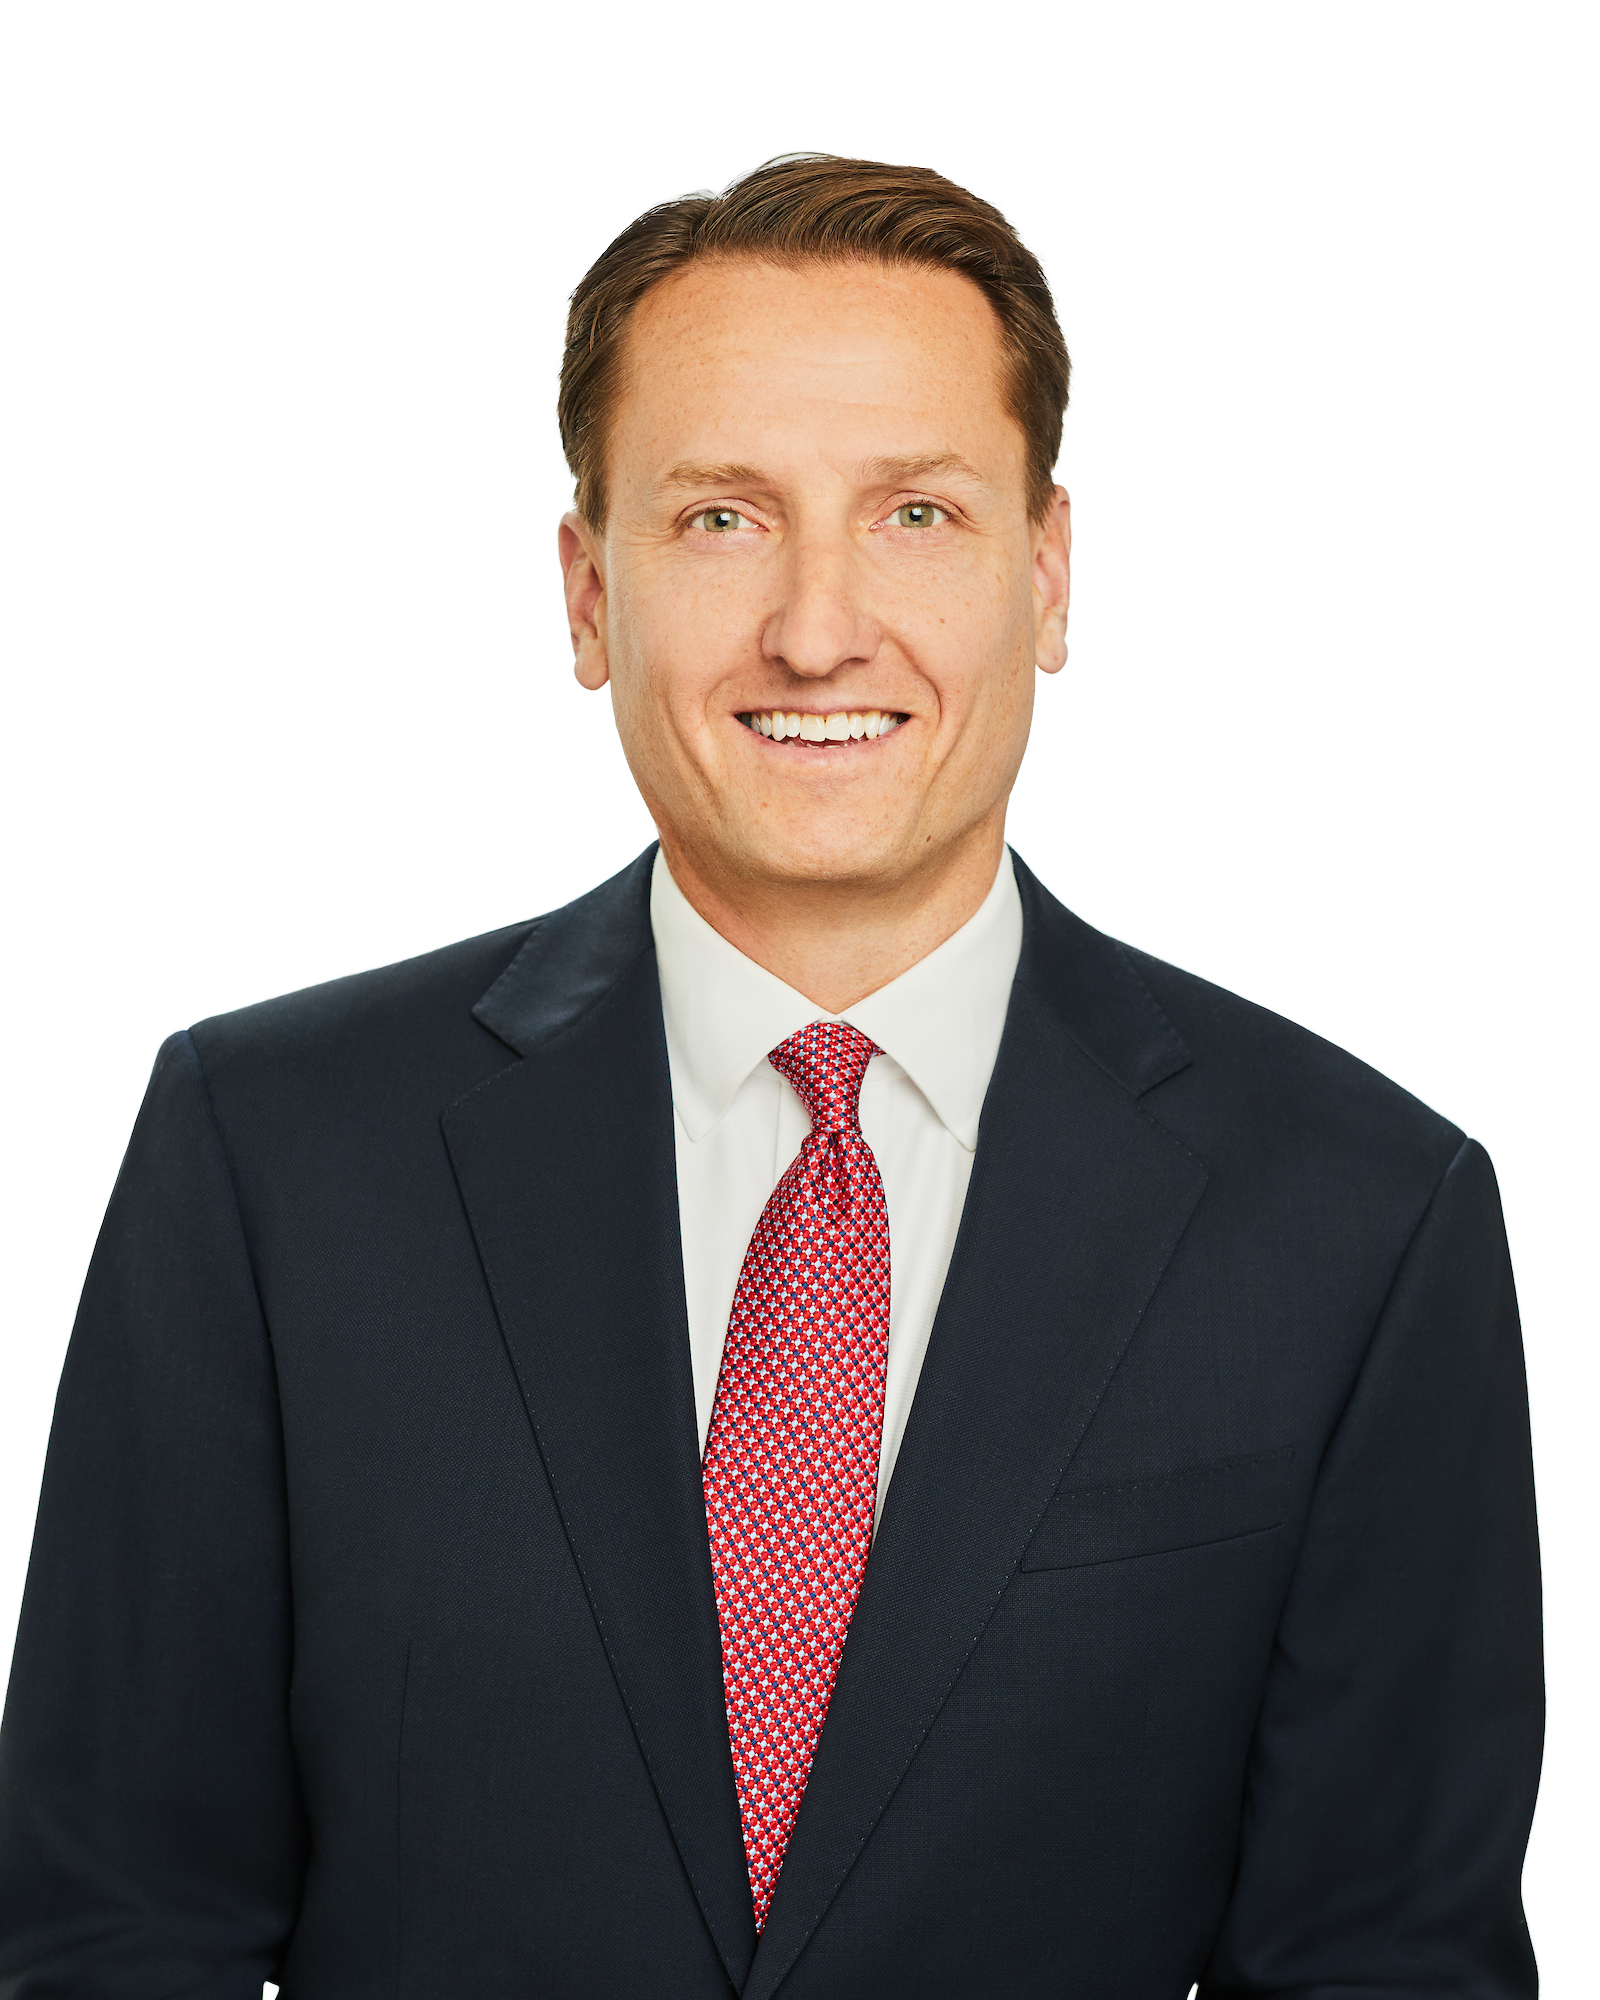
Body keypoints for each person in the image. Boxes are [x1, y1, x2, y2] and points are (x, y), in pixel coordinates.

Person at [0, 154, 1543, 1999]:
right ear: (589, 593)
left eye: (917, 513)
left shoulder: (1362, 1225)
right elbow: (109, 1936)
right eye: (723, 517)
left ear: (1047, 574)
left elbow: (1389, 1966)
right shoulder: (270, 1161)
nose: (818, 628)